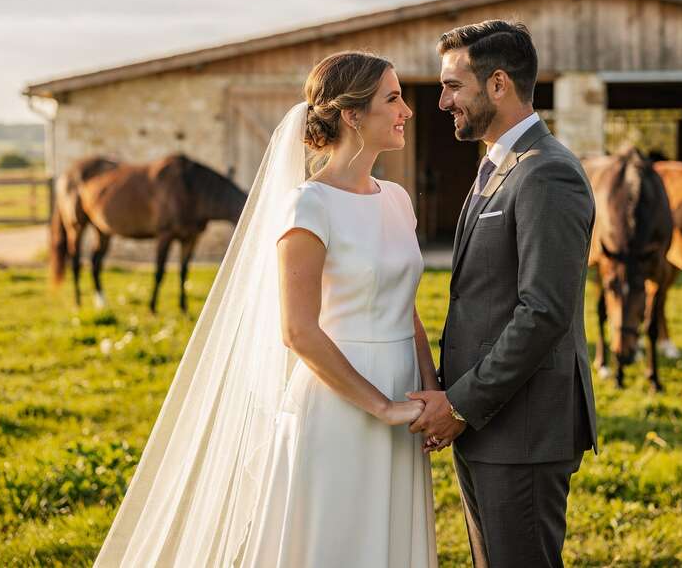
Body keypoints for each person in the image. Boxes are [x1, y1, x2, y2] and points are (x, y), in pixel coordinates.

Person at [92, 51, 438, 567]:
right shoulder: (309, 205)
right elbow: (298, 331)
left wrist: (429, 394)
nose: (407, 110)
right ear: (351, 114)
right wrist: (382, 406)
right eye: (393, 98)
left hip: (404, 395)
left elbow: (406, 311)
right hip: (340, 402)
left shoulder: (398, 199)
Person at [408, 20, 599, 568]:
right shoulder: (497, 165)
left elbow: (544, 312)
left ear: (498, 85)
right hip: (488, 423)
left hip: (524, 428)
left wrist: (463, 404)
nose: (442, 101)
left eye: (452, 85)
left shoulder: (547, 173)